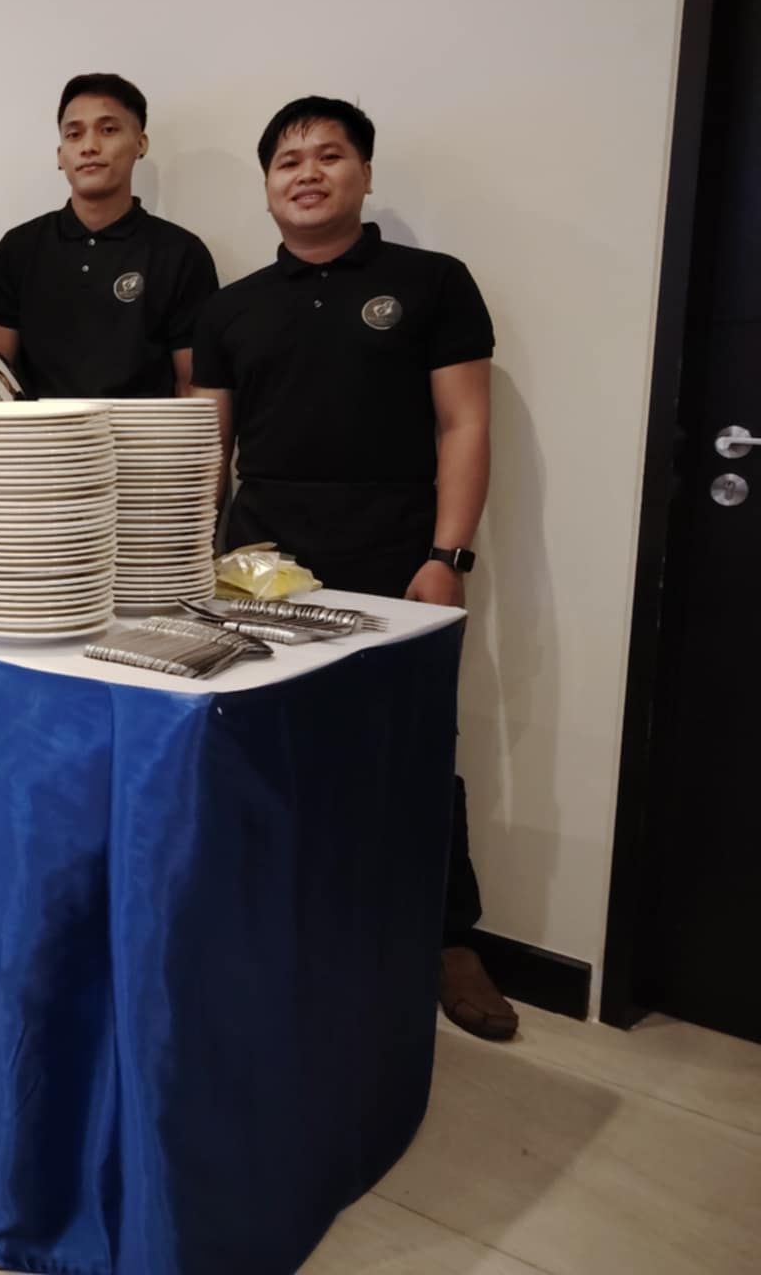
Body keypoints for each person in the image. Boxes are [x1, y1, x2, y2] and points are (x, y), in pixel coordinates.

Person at [191, 95, 515, 1041]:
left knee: (412, 745)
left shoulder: (433, 283)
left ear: (365, 174)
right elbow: (210, 452)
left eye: (329, 155)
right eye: (287, 160)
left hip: (396, 552)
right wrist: (190, 560)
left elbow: (466, 424)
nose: (307, 172)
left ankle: (449, 939)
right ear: (265, 188)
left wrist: (447, 555)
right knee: (258, 740)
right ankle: (282, 919)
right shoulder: (231, 308)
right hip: (258, 559)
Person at [0, 73, 217, 398]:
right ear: (60, 155)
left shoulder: (180, 253)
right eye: (74, 134)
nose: (90, 147)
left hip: (142, 445)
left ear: (140, 144)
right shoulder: (19, 248)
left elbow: (192, 386)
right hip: (37, 445)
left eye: (108, 130)